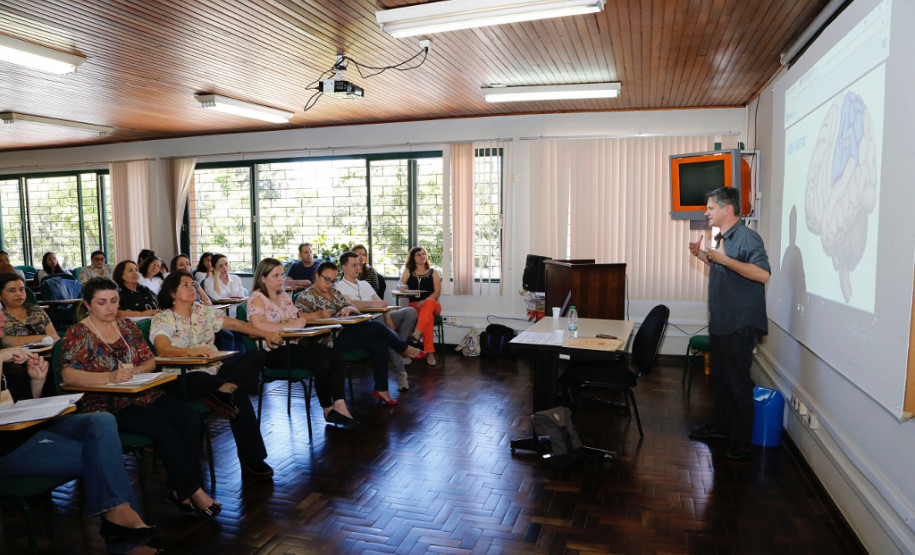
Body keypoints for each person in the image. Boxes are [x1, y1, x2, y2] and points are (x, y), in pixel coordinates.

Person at [61, 277, 221, 518]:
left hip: (143, 393)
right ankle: (192, 490)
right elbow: (68, 375)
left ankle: (180, 488)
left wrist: (137, 371)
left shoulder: (125, 326)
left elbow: (150, 360)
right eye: (102, 303)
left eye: (114, 301)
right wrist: (110, 377)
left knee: (191, 419)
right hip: (107, 404)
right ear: (87, 304)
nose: (110, 308)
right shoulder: (78, 333)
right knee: (164, 428)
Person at [0, 344, 160, 553]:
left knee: (103, 421)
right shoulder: (4, 353)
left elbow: (26, 407)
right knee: (103, 455)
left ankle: (118, 515)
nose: (2, 316)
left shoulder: (10, 351)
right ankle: (125, 537)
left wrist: (36, 380)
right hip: (9, 447)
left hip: (36, 428)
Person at [151, 271, 281, 477]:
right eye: (185, 285)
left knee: (256, 357)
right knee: (236, 394)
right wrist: (190, 352)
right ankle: (253, 459)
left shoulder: (202, 311)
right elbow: (163, 348)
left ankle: (222, 393)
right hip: (182, 378)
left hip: (214, 372)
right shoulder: (163, 318)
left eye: (192, 285)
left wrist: (265, 333)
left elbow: (236, 324)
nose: (192, 288)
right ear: (172, 292)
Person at [687, 187, 770, 460]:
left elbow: (761, 274)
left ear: (727, 210)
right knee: (721, 381)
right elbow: (728, 271)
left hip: (739, 324)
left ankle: (741, 439)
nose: (706, 212)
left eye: (710, 208)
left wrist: (722, 258)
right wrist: (703, 256)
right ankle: (721, 428)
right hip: (722, 323)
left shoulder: (747, 237)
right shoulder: (724, 237)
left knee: (737, 384)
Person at [246, 258, 359, 429]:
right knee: (321, 362)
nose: (280, 279)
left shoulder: (283, 296)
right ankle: (328, 409)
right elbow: (258, 324)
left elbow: (297, 318)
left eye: (281, 274)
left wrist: (300, 320)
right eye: (275, 275)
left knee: (336, 356)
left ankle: (339, 404)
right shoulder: (257, 297)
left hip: (293, 344)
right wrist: (287, 324)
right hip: (272, 351)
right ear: (263, 278)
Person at [296, 261, 425, 406]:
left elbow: (352, 307)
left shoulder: (335, 293)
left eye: (333, 281)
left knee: (379, 342)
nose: (330, 284)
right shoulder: (305, 297)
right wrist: (318, 315)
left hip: (346, 333)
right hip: (328, 340)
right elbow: (296, 317)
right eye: (326, 279)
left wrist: (349, 310)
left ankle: (381, 389)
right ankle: (404, 348)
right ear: (317, 275)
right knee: (376, 327)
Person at [337, 251, 417, 391]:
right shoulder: (339, 287)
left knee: (410, 312)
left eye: (359, 265)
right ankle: (402, 372)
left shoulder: (364, 284)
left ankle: (399, 346)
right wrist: (373, 305)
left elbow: (380, 302)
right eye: (354, 265)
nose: (357, 268)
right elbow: (351, 304)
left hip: (380, 318)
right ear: (344, 267)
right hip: (365, 325)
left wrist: (388, 317)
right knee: (383, 329)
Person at [397, 246, 442, 366]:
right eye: (419, 254)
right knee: (427, 319)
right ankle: (430, 352)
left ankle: (417, 333)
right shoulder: (408, 270)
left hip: (433, 305)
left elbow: (437, 292)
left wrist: (426, 300)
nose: (422, 256)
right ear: (413, 257)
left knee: (429, 304)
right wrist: (401, 287)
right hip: (415, 306)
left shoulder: (434, 272)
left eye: (424, 254)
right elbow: (400, 283)